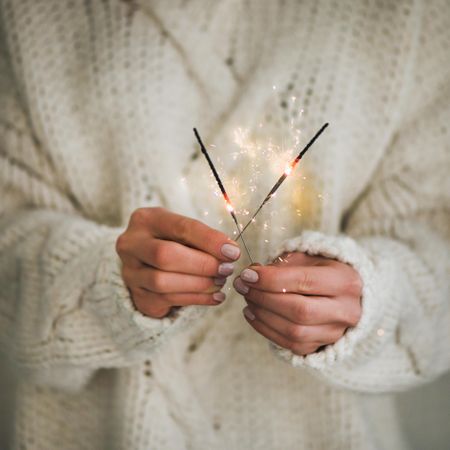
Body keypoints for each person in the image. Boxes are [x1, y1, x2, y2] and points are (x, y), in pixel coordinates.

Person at [0, 1, 449, 449]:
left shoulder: (408, 15)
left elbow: (434, 246)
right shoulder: (34, 15)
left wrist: (368, 299)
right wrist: (105, 279)